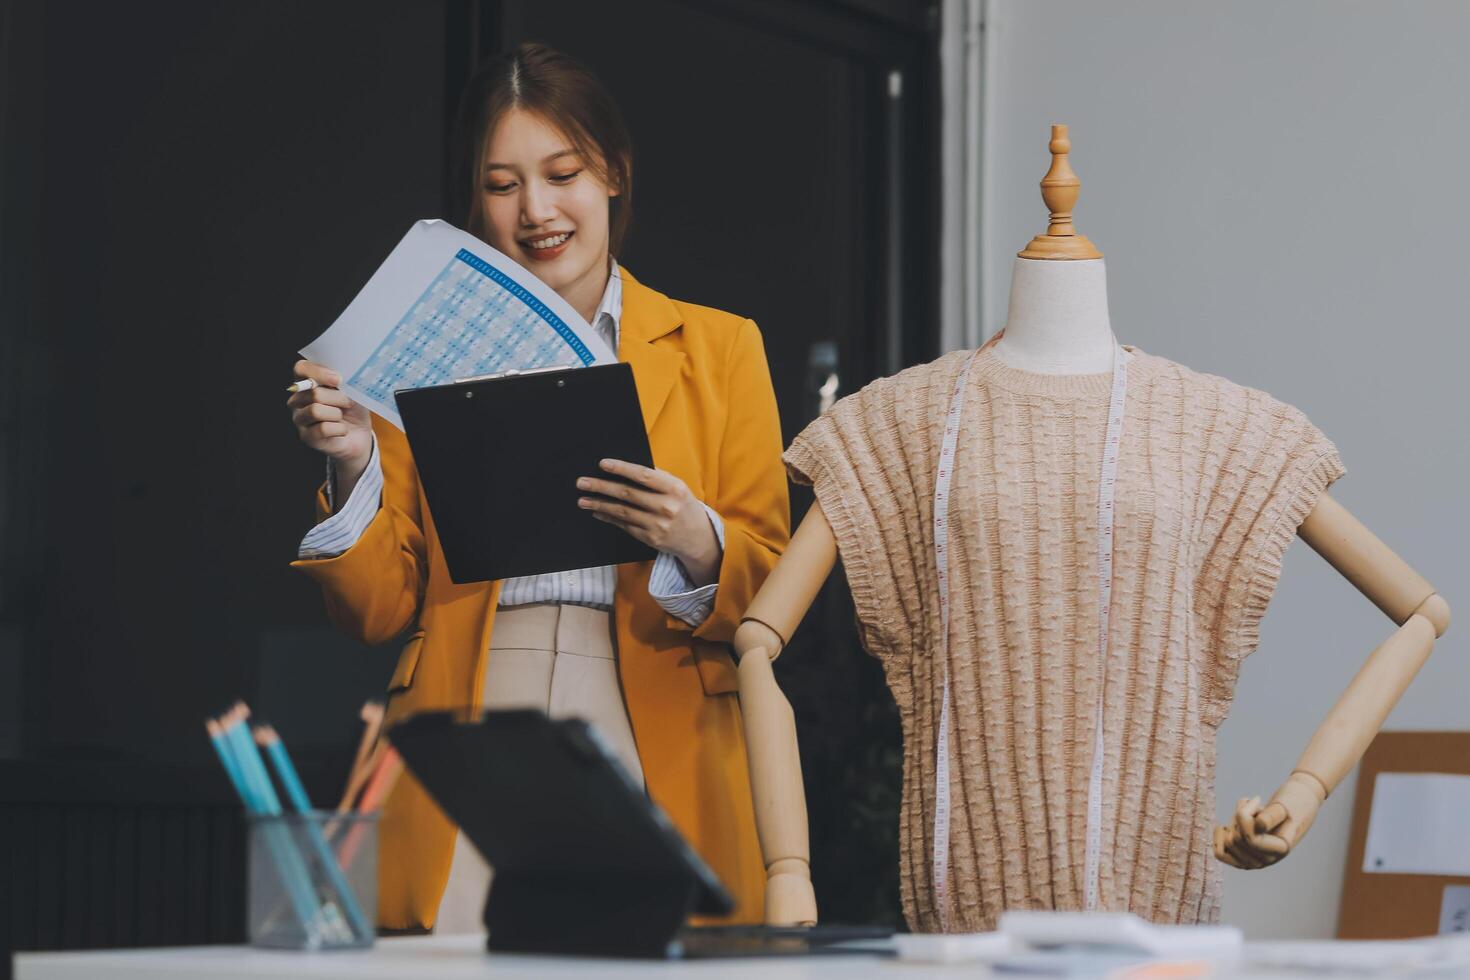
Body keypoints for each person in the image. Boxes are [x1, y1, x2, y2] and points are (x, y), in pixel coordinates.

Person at [287, 42, 789, 932]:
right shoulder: (420, 358)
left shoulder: (720, 347)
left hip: (654, 702)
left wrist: (692, 535)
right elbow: (371, 612)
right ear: (474, 202)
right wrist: (355, 459)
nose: (538, 210)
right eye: (502, 184)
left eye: (564, 173)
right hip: (472, 711)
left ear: (615, 174)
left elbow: (772, 594)